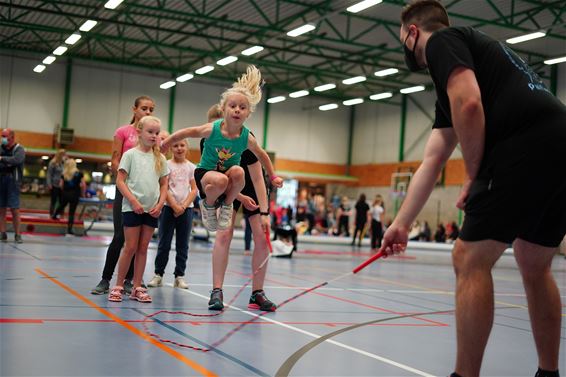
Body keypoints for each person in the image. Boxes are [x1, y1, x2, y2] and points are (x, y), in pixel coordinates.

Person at [381, 1, 566, 376]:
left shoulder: (442, 42)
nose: (404, 44)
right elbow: (432, 160)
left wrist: (473, 173)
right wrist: (401, 223)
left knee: (468, 258)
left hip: (525, 144)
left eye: (403, 37)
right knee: (534, 262)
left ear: (413, 32)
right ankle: (548, 372)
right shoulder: (462, 71)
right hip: (560, 141)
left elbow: (469, 106)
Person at [162, 65, 283, 234]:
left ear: (248, 114)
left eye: (242, 107)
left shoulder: (247, 137)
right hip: (205, 174)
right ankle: (208, 206)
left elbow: (262, 155)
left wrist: (273, 176)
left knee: (239, 173)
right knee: (220, 181)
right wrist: (167, 143)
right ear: (224, 109)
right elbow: (188, 132)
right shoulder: (213, 129)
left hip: (225, 178)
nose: (237, 110)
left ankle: (227, 204)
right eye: (232, 106)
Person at [199, 104, 277, 311]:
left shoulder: (245, 138)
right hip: (230, 190)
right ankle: (217, 291)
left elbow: (259, 178)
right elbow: (216, 178)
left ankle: (257, 293)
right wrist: (238, 198)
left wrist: (264, 211)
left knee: (261, 237)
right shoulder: (207, 140)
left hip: (249, 186)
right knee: (224, 235)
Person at [91, 96, 155, 295]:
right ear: (134, 109)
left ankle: (131, 280)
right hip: (125, 191)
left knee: (140, 240)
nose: (148, 112)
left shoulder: (153, 135)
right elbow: (115, 160)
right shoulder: (123, 132)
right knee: (120, 236)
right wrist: (127, 182)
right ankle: (105, 279)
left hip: (145, 194)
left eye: (151, 109)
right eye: (144, 108)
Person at [108, 115, 168, 303]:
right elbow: (120, 181)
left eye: (157, 133)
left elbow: (164, 184)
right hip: (132, 209)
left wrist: (160, 204)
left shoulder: (160, 158)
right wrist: (133, 201)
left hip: (152, 210)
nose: (153, 136)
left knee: (143, 248)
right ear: (139, 132)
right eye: (150, 132)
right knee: (130, 247)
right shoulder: (130, 155)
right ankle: (118, 285)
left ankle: (136, 287)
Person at [148, 138, 197, 289]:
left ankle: (179, 276)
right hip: (169, 209)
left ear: (187, 148)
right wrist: (174, 205)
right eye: (175, 146)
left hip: (186, 210)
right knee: (164, 243)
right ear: (171, 149)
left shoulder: (192, 167)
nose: (179, 148)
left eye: (182, 145)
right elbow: (164, 187)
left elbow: (194, 189)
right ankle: (158, 274)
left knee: (183, 244)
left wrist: (183, 206)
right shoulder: (166, 165)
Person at [0, 128, 25, 244]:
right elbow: (10, 162)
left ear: (12, 137)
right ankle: (3, 233)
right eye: (2, 136)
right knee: (1, 208)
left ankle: (17, 235)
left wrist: (2, 159)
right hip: (1, 180)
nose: (3, 138)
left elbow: (17, 160)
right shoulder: (1, 148)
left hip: (13, 181)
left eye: (5, 136)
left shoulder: (19, 149)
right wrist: (7, 161)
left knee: (14, 209)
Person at [53, 158, 86, 235]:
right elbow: (83, 185)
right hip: (75, 194)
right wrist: (83, 194)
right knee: (72, 212)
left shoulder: (64, 174)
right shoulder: (79, 173)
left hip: (66, 193)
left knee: (62, 205)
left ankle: (54, 215)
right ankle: (70, 229)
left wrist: (64, 190)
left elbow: (61, 185)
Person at [47, 149, 66, 218]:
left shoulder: (64, 163)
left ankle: (61, 214)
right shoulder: (53, 162)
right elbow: (49, 174)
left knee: (62, 201)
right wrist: (49, 184)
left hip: (63, 185)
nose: (64, 156)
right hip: (54, 184)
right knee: (53, 200)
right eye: (63, 155)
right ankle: (51, 214)